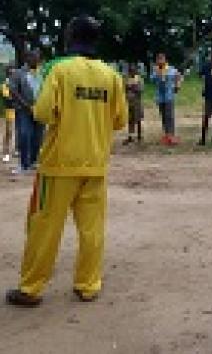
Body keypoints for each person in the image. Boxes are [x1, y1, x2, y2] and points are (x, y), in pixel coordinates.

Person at [5, 15, 127, 307]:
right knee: (92, 229)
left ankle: (31, 288)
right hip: (95, 164)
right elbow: (120, 120)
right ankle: (88, 285)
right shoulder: (111, 75)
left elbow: (42, 113)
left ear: (70, 37)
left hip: (58, 165)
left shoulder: (59, 70)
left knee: (44, 227)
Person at [11, 50, 44, 174]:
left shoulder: (42, 73)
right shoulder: (19, 73)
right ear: (27, 59)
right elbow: (13, 91)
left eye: (38, 58)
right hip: (23, 110)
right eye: (34, 58)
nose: (37, 60)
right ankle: (24, 164)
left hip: (39, 109)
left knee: (38, 136)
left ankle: (33, 161)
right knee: (25, 134)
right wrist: (25, 104)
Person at [150, 53, 181, 145]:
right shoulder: (155, 70)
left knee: (169, 116)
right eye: (158, 59)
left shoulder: (171, 69)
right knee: (163, 116)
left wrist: (177, 86)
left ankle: (172, 135)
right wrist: (157, 73)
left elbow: (178, 76)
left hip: (169, 96)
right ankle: (167, 135)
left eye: (161, 59)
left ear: (165, 60)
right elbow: (152, 80)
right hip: (160, 97)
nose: (160, 61)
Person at [123, 63, 144, 145]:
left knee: (138, 120)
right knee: (130, 120)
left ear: (136, 71)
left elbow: (140, 90)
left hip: (137, 103)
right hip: (129, 102)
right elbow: (124, 89)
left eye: (133, 70)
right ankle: (130, 137)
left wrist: (131, 86)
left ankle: (139, 136)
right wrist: (128, 87)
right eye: (130, 71)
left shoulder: (139, 79)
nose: (131, 72)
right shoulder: (127, 79)